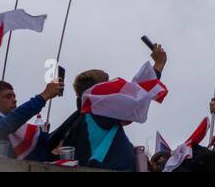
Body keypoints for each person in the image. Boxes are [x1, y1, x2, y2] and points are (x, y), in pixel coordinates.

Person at [54, 43, 167, 171]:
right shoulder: (99, 112)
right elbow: (138, 94)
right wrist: (159, 63)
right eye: (108, 86)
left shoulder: (82, 118)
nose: (115, 93)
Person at [0, 76, 64, 159]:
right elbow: (10, 122)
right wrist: (44, 95)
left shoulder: (17, 130)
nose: (14, 100)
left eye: (14, 96)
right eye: (8, 97)